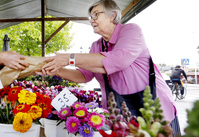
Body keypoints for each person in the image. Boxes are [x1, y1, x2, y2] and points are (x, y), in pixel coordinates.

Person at [38, 0, 180, 135]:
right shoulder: (96, 46)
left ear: (112, 15)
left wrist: (69, 58)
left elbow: (119, 60)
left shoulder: (131, 31)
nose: (91, 20)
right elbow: (84, 75)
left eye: (96, 14)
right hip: (122, 117)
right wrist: (57, 70)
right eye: (90, 17)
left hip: (153, 111)